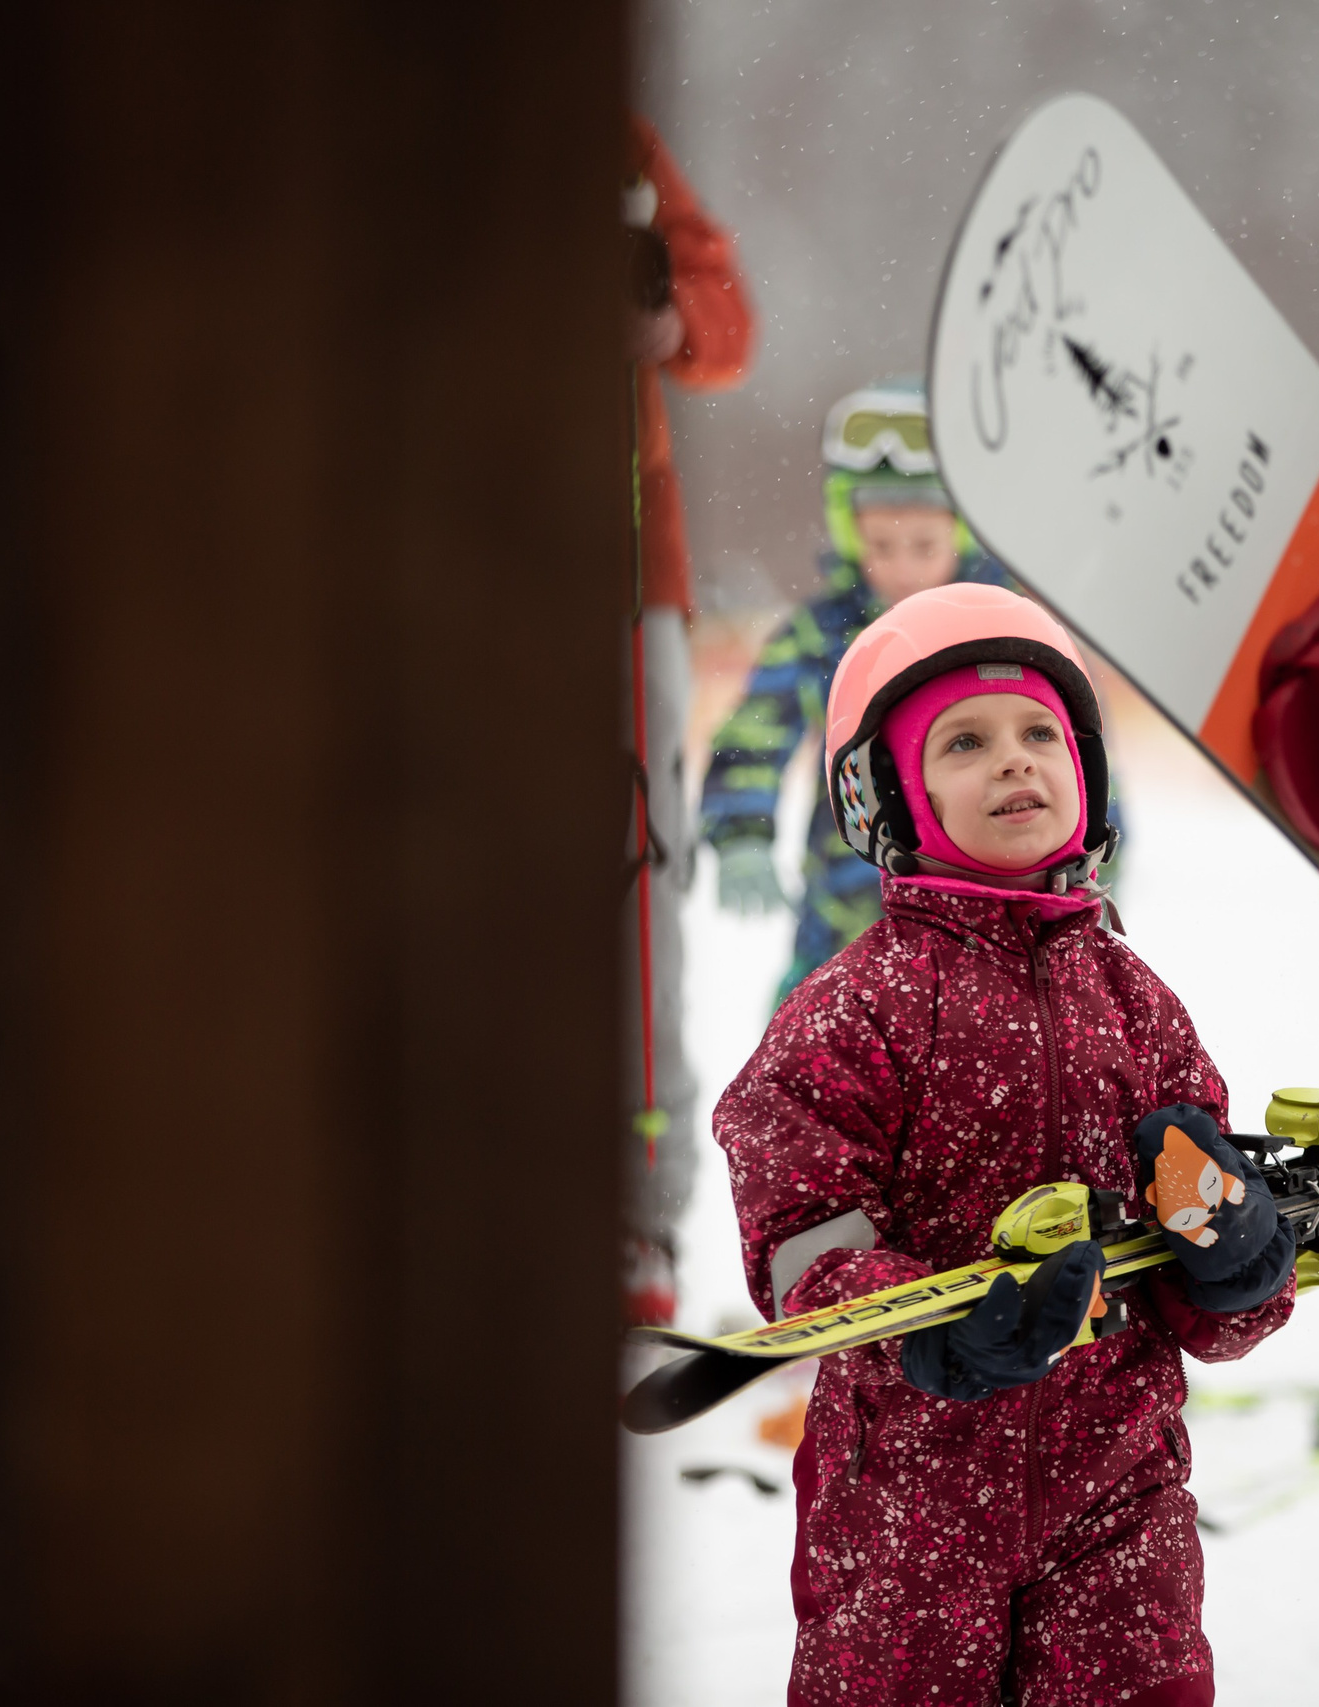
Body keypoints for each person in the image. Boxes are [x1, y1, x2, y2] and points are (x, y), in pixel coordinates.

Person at [711, 584, 1295, 1707]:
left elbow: (1204, 1267)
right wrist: (928, 1322)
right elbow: (798, 1229)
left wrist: (1237, 1266)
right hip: (908, 1507)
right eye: (964, 743)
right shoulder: (857, 1006)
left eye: (1040, 735)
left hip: (1119, 1496)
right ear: (886, 795)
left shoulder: (1136, 1001)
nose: (1013, 762)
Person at [701, 381, 1121, 1006]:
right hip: (846, 922)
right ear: (850, 537)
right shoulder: (821, 635)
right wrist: (741, 833)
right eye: (881, 546)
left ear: (960, 533)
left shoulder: (1009, 631)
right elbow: (754, 736)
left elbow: (1079, 752)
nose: (902, 565)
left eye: (923, 545)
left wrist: (1095, 867)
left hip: (994, 920)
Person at [623, 111, 753, 1326]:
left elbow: (724, 324)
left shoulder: (608, 133)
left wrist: (660, 316)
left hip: (623, 584)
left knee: (636, 889)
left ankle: (635, 1223)